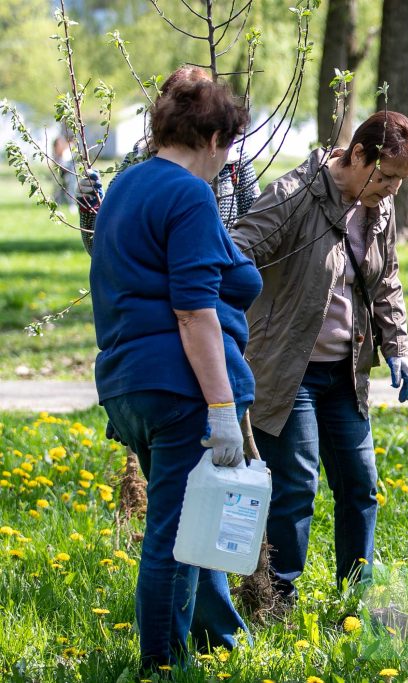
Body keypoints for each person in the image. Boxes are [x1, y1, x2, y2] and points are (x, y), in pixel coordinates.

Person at [89, 79, 258, 672]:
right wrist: (219, 409)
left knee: (179, 534)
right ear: (213, 139)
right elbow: (194, 311)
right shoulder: (189, 195)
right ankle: (161, 664)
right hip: (179, 387)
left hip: (125, 380)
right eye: (227, 146)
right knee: (174, 537)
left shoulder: (123, 188)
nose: (227, 160)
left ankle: (177, 651)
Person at [230, 110, 408, 605]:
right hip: (289, 372)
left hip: (345, 372)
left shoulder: (378, 206)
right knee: (296, 485)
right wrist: (244, 316)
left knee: (361, 485)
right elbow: (237, 248)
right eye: (388, 177)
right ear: (358, 155)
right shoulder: (294, 196)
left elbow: (387, 279)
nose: (393, 190)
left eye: (402, 181)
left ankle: (357, 596)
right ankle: (276, 598)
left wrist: (397, 346)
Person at [78, 65, 260, 254]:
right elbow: (106, 248)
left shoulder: (233, 160)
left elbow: (257, 231)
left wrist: (234, 262)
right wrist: (90, 209)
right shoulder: (138, 162)